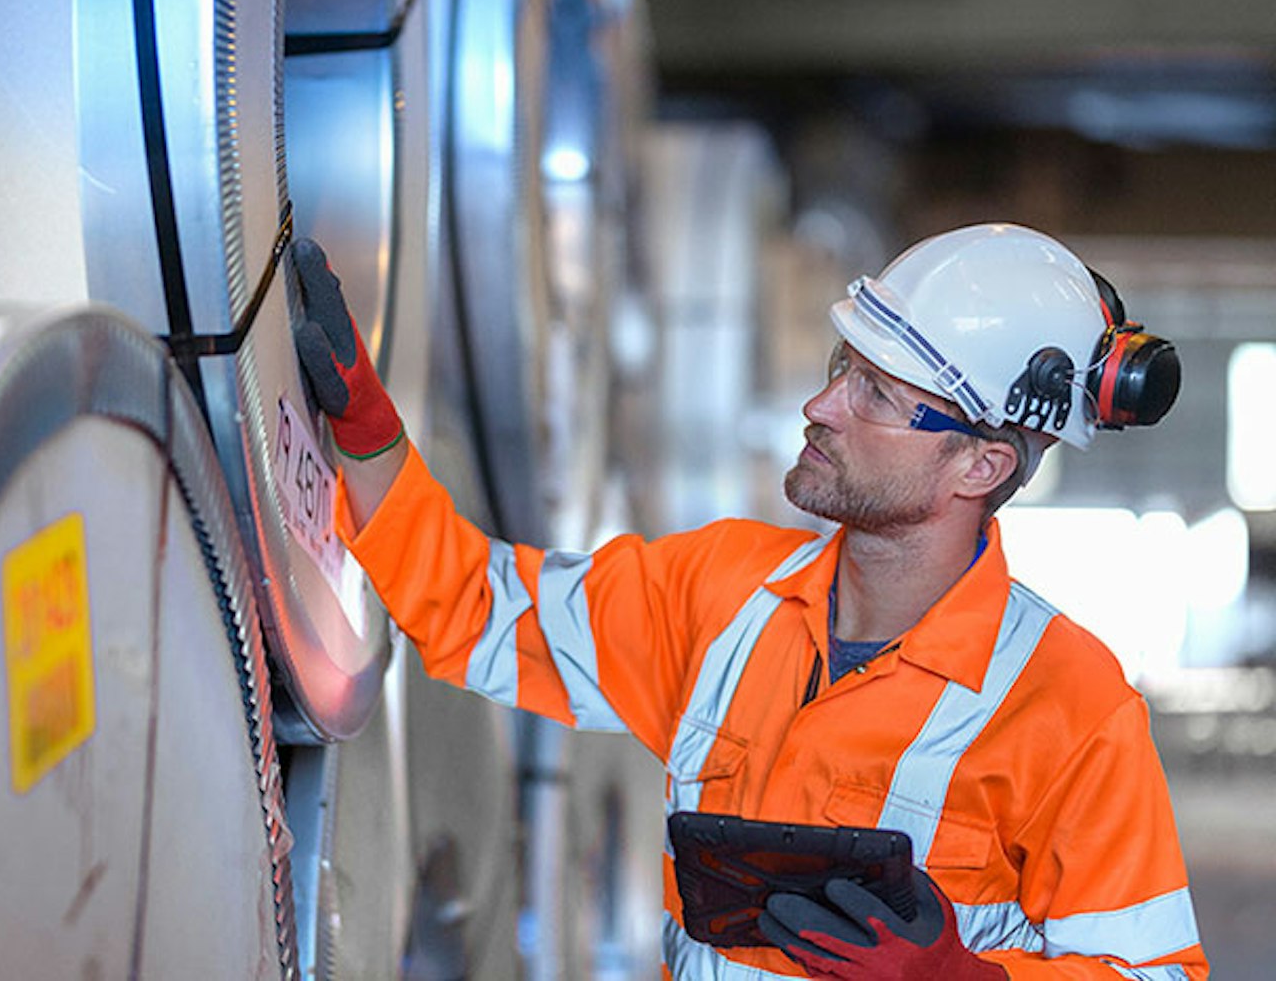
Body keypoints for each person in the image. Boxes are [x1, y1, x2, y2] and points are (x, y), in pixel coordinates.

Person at [291, 223, 1208, 979]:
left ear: (980, 464)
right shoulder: (721, 591)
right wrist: (368, 435)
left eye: (876, 394)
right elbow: (478, 612)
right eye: (842, 364)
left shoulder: (1072, 708)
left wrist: (960, 979)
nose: (822, 404)